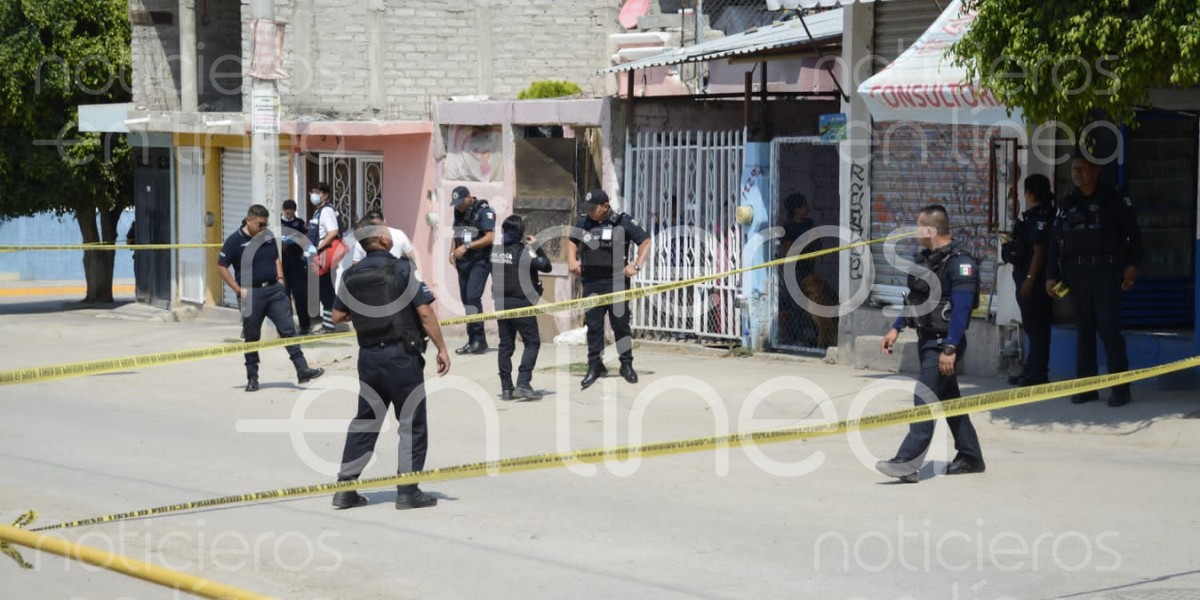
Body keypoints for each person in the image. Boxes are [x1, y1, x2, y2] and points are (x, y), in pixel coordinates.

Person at [329, 219, 451, 511]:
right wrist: (442, 348)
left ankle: (345, 489)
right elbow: (424, 313)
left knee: (366, 421)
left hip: (369, 358)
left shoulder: (351, 275)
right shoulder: (402, 269)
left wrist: (365, 315)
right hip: (401, 357)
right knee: (411, 423)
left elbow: (336, 316)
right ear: (383, 240)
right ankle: (408, 492)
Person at [878, 204, 984, 483]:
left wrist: (950, 348)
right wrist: (896, 328)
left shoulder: (961, 263)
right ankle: (971, 456)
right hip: (927, 340)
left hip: (943, 344)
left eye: (918, 227)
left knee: (923, 397)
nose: (915, 233)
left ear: (930, 230)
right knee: (950, 401)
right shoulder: (927, 260)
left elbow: (961, 310)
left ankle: (907, 462)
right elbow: (915, 300)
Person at [1046, 154, 1143, 407]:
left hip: (1106, 273)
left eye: (1082, 168)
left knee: (1110, 331)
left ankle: (1120, 388)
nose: (1077, 173)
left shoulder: (1114, 199)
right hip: (1076, 277)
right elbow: (1055, 243)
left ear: (1096, 170)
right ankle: (1087, 387)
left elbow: (1134, 234)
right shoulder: (1067, 202)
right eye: (1074, 169)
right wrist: (1050, 276)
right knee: (1084, 333)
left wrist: (1133, 265)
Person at [216, 204, 324, 393]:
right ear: (249, 220)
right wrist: (238, 290)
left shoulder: (266, 237)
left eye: (265, 224)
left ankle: (302, 369)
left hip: (274, 291)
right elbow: (221, 266)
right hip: (251, 294)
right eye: (259, 224)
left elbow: (275, 259)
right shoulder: (234, 241)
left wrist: (281, 279)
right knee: (252, 337)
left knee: (288, 330)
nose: (263, 227)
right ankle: (252, 377)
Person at [567, 189, 652, 390]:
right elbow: (572, 240)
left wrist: (637, 265)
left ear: (605, 206)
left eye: (592, 208)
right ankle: (595, 365)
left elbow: (645, 241)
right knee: (594, 326)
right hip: (591, 281)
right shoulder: (583, 222)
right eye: (586, 208)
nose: (588, 211)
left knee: (620, 325)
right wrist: (572, 260)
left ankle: (626, 364)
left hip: (616, 281)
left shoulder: (622, 222)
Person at [491, 214, 551, 400]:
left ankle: (507, 388)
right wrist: (537, 246)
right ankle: (523, 383)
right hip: (521, 304)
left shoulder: (495, 252)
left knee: (505, 345)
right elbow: (546, 266)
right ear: (520, 233)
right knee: (532, 342)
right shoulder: (526, 253)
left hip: (501, 303)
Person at [1005, 175, 1055, 387]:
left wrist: (1029, 279)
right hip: (1027, 276)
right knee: (1032, 327)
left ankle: (1037, 373)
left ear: (1029, 193)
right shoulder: (1031, 216)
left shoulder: (1041, 217)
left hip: (1034, 280)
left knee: (1037, 328)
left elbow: (1039, 250)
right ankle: (1031, 369)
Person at [448, 185, 495, 355]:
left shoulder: (484, 211)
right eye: (456, 203)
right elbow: (456, 233)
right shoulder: (459, 211)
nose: (459, 206)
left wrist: (466, 247)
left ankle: (479, 340)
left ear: (469, 197)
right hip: (463, 261)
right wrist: (451, 251)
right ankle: (471, 340)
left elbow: (490, 238)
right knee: (466, 301)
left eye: (461, 202)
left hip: (479, 261)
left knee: (473, 298)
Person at [307, 182, 342, 334]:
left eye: (317, 192)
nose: (313, 195)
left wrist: (318, 248)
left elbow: (333, 232)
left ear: (325, 195)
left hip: (323, 256)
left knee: (325, 290)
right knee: (323, 289)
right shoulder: (318, 211)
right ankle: (328, 324)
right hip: (318, 255)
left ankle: (329, 326)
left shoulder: (326, 211)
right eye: (312, 192)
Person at [279, 199, 311, 333]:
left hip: (297, 264)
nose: (288, 212)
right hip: (282, 266)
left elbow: (306, 240)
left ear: (294, 211)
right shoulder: (278, 223)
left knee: (299, 295)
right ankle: (288, 326)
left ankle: (304, 325)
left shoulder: (299, 223)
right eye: (286, 209)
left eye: (291, 210)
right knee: (283, 297)